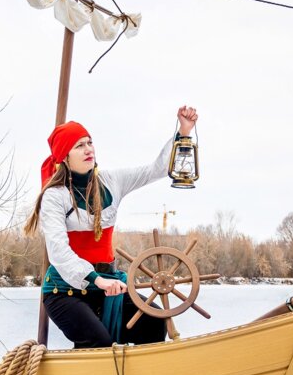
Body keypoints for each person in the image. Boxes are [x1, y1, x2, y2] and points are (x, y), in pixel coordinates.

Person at [23, 106, 199, 348]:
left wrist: (183, 132)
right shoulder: (55, 196)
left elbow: (155, 170)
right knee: (98, 341)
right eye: (79, 146)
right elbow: (58, 251)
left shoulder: (111, 181)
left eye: (89, 142)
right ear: (65, 156)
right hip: (65, 290)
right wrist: (96, 279)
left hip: (109, 282)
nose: (88, 149)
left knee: (153, 323)